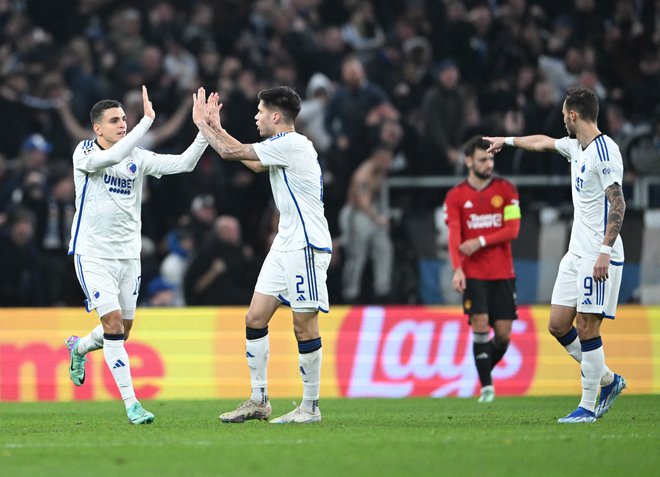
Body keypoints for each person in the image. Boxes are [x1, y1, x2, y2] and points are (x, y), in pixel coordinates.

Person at [64, 86, 208, 424]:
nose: (122, 125)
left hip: (129, 257)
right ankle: (132, 405)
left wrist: (204, 131)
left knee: (122, 331)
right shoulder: (84, 153)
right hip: (93, 253)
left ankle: (79, 347)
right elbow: (112, 157)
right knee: (113, 325)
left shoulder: (138, 157)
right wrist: (147, 122)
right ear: (97, 129)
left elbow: (185, 164)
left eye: (124, 119)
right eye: (114, 121)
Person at [483, 86, 627, 423]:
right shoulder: (577, 147)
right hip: (576, 253)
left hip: (598, 255)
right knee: (559, 325)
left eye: (565, 116)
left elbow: (618, 202)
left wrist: (605, 252)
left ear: (574, 115)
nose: (563, 121)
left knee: (588, 328)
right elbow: (543, 142)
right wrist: (507, 140)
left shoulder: (606, 153)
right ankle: (607, 379)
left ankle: (588, 408)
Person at [192, 85, 332, 424]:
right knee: (255, 318)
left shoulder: (294, 144)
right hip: (284, 244)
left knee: (304, 325)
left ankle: (310, 407)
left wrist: (203, 124)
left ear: (275, 116)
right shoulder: (278, 147)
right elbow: (249, 160)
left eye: (259, 111)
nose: (255, 116)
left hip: (306, 244)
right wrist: (216, 127)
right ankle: (259, 400)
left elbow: (231, 153)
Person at [443, 135, 521, 403]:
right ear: (468, 161)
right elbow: (454, 236)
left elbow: (513, 230)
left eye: (490, 159)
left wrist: (481, 241)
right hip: (473, 273)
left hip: (503, 272)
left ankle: (481, 366)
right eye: (482, 159)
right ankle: (487, 387)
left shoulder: (507, 190)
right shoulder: (456, 196)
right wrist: (457, 269)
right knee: (479, 324)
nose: (489, 164)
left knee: (503, 335)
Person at [338, 146, 394, 303]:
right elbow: (363, 201)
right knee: (357, 256)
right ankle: (350, 294)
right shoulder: (364, 173)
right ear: (378, 157)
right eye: (387, 158)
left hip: (373, 213)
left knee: (384, 249)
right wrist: (378, 218)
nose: (390, 162)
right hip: (357, 214)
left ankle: (382, 291)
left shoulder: (382, 171)